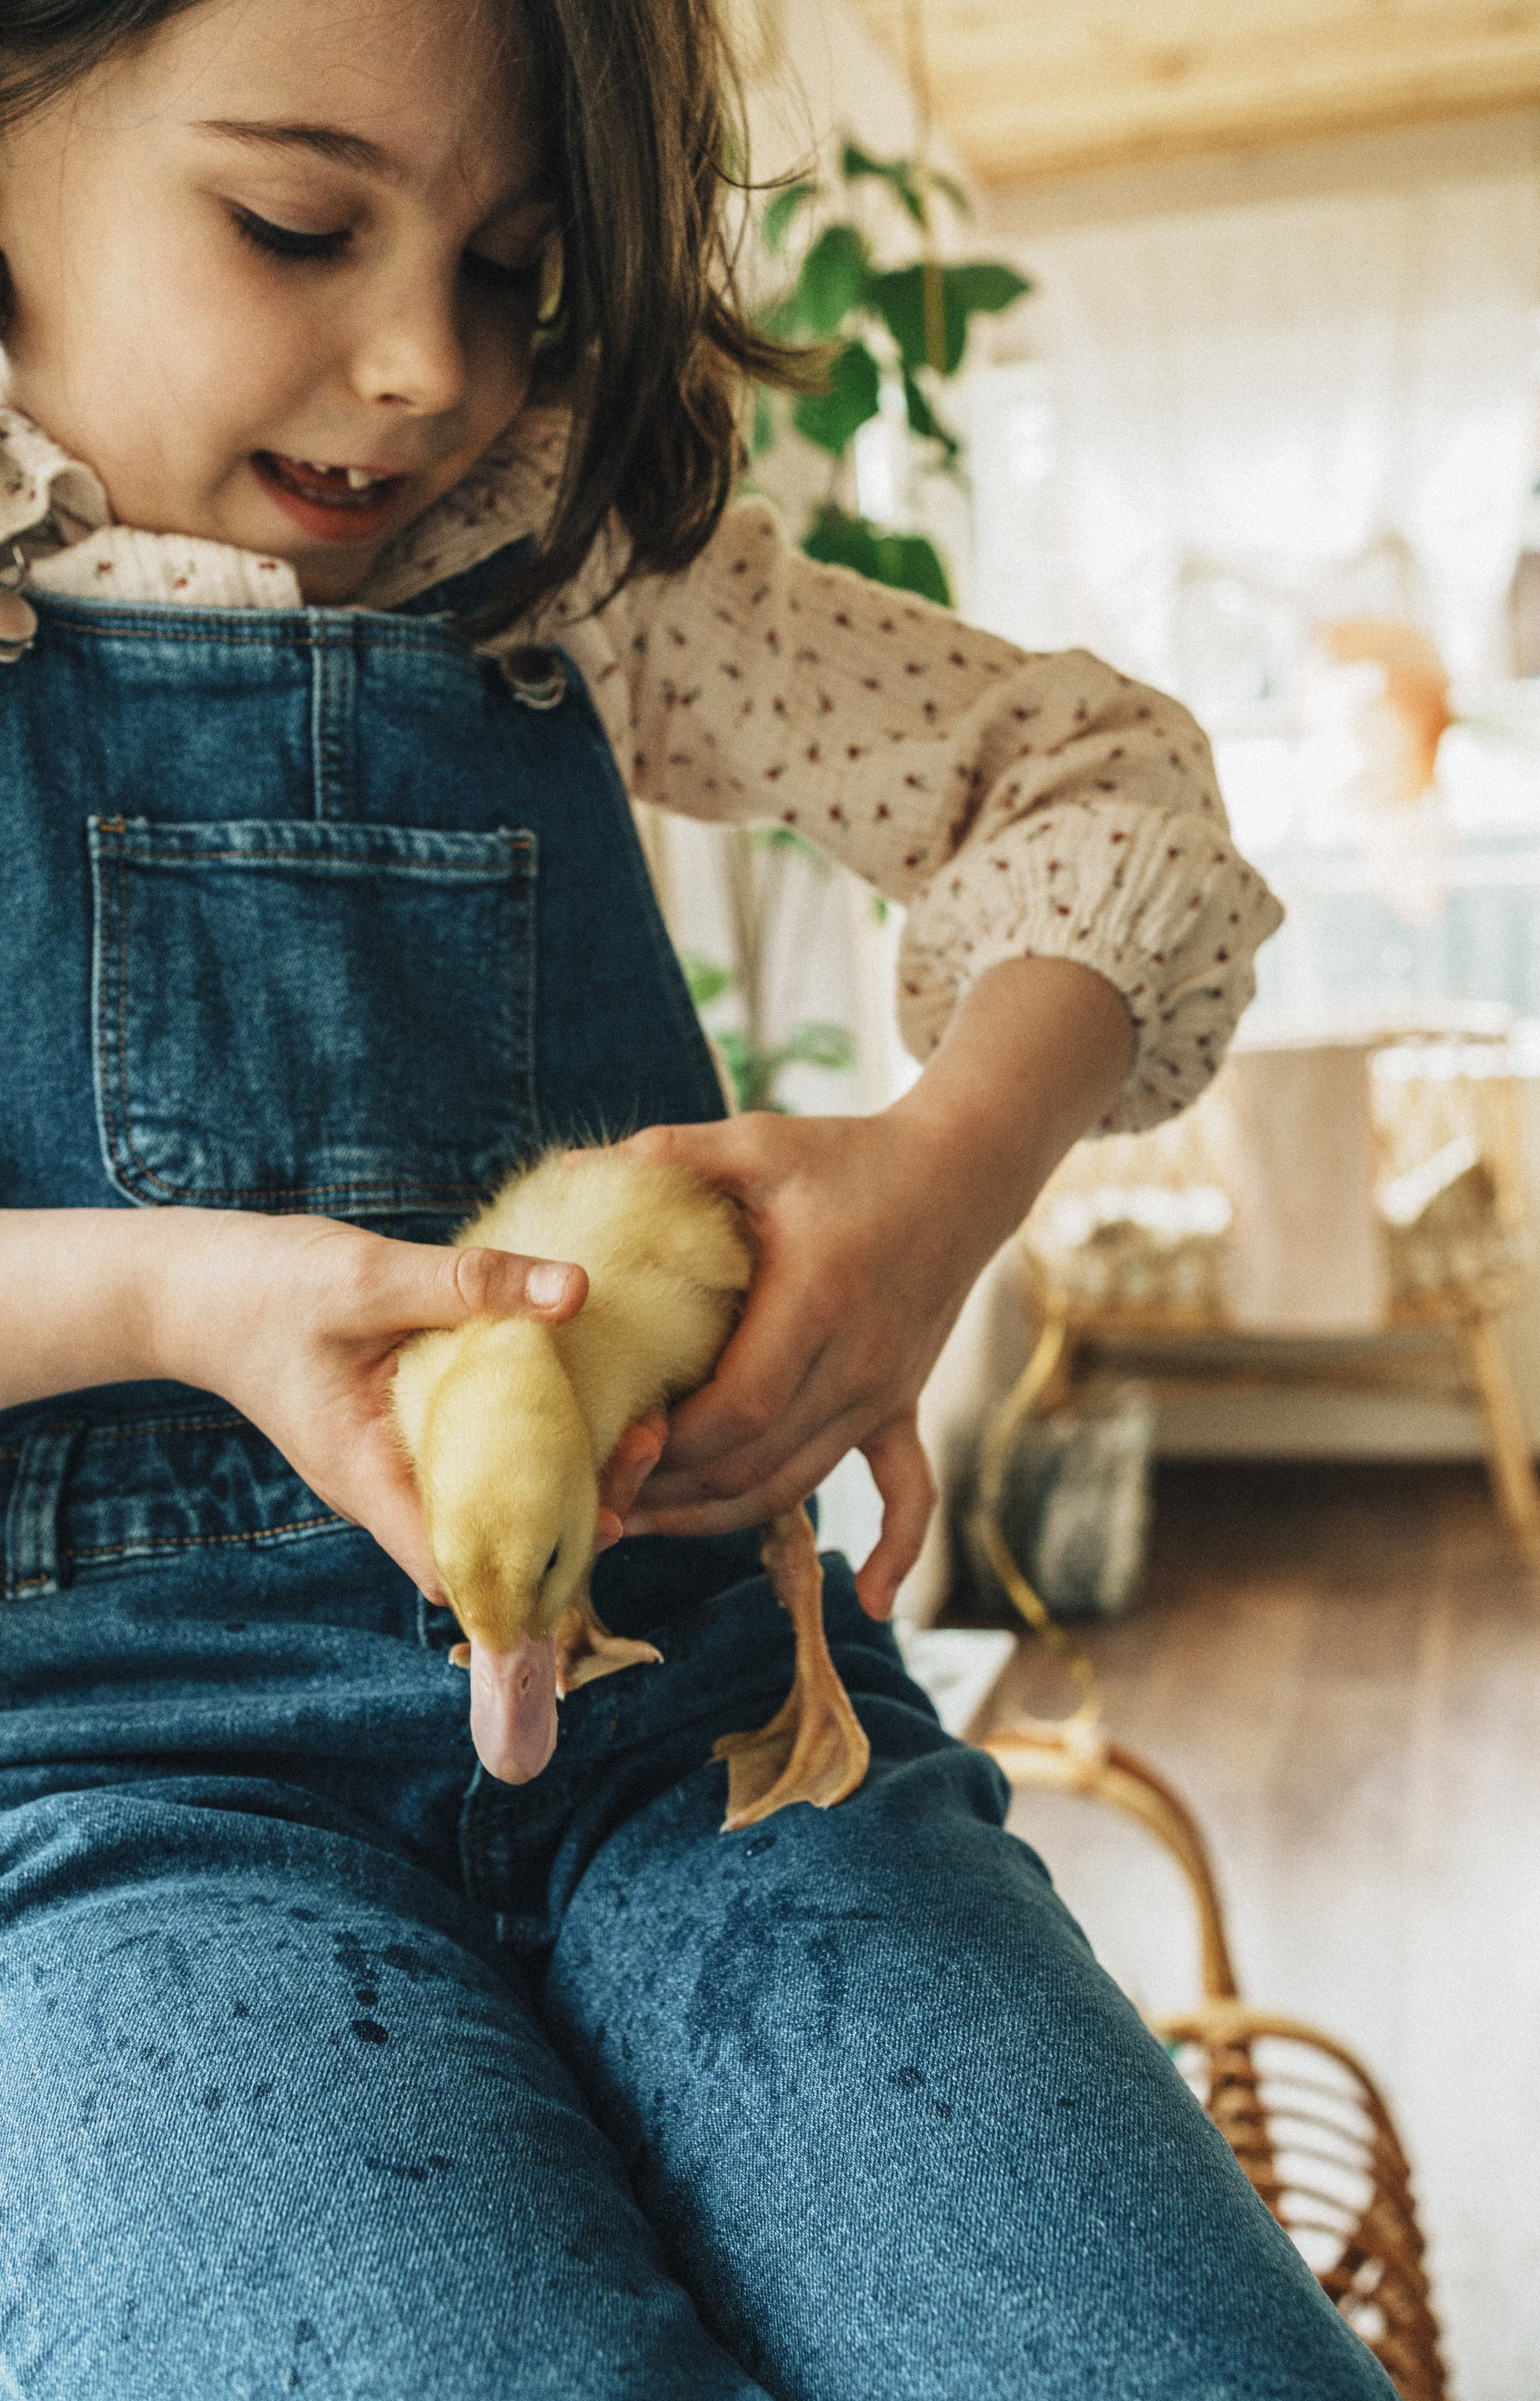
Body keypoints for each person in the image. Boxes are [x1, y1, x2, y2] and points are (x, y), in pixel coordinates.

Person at [0, 1, 1391, 2393]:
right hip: (123, 1812)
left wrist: (941, 1190)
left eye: (519, 267)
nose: (434, 365)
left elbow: (1113, 797)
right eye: (298, 224)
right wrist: (177, 1296)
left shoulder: (582, 577)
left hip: (716, 1732)